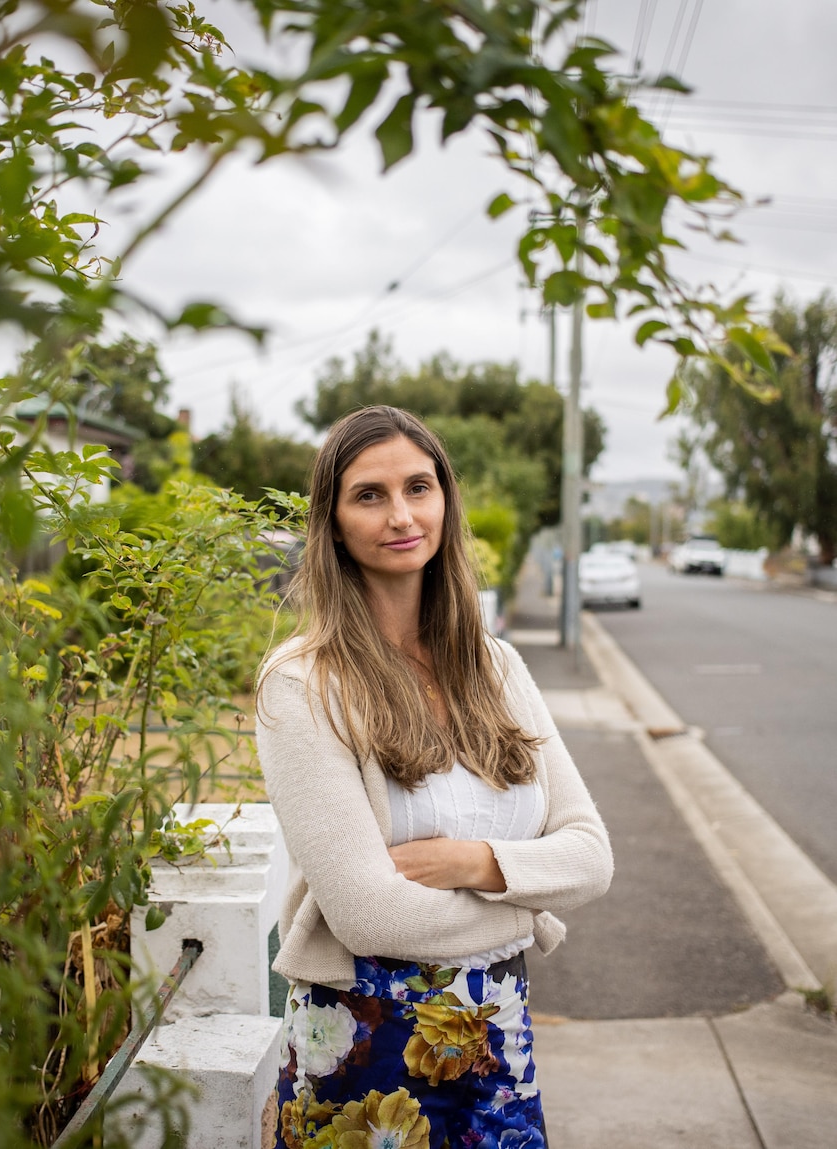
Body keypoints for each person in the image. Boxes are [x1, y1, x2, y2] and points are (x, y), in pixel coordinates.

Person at [256, 406, 612, 1149]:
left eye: (419, 487)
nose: (400, 515)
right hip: (366, 1048)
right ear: (333, 522)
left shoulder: (497, 665)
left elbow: (590, 854)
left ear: (445, 500)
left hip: (500, 1039)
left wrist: (474, 862)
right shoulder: (303, 683)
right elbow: (368, 915)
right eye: (369, 495)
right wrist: (529, 910)